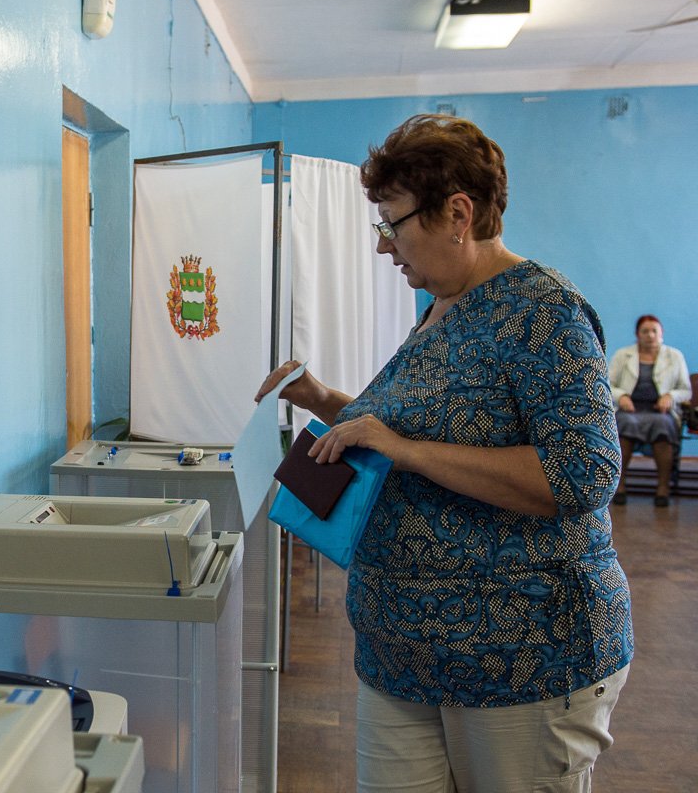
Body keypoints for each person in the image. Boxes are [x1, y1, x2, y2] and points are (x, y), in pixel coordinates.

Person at [256, 114, 632, 793]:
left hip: (521, 659)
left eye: (393, 224)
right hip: (401, 656)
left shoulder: (542, 311)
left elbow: (583, 473)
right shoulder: (438, 310)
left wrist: (406, 449)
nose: (383, 247)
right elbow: (393, 436)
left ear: (458, 213)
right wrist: (322, 399)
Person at [608, 314, 691, 506]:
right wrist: (622, 396)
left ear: (661, 333)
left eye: (654, 331)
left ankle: (663, 487)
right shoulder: (623, 355)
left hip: (659, 411)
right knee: (625, 426)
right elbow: (607, 385)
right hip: (630, 409)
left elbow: (685, 390)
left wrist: (670, 396)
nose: (650, 335)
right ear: (638, 334)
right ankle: (619, 485)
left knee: (663, 427)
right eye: (645, 331)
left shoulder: (674, 356)